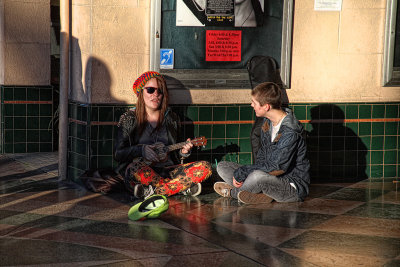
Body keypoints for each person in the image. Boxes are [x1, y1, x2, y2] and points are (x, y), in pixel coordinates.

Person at [114, 71, 212, 198]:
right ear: (140, 93)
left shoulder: (171, 118)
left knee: (205, 167)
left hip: (167, 171)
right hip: (142, 170)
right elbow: (118, 154)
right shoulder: (129, 118)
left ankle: (152, 191)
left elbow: (175, 153)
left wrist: (183, 152)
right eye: (150, 90)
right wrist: (141, 150)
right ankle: (180, 187)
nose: (156, 94)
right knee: (134, 169)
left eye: (160, 91)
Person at [214, 82, 310, 204]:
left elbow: (278, 167)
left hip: (291, 186)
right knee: (222, 166)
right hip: (268, 177)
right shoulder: (267, 122)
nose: (251, 105)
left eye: (254, 102)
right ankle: (258, 193)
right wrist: (246, 173)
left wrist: (245, 172)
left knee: (257, 176)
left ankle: (233, 193)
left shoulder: (290, 131)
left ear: (266, 107)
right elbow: (262, 155)